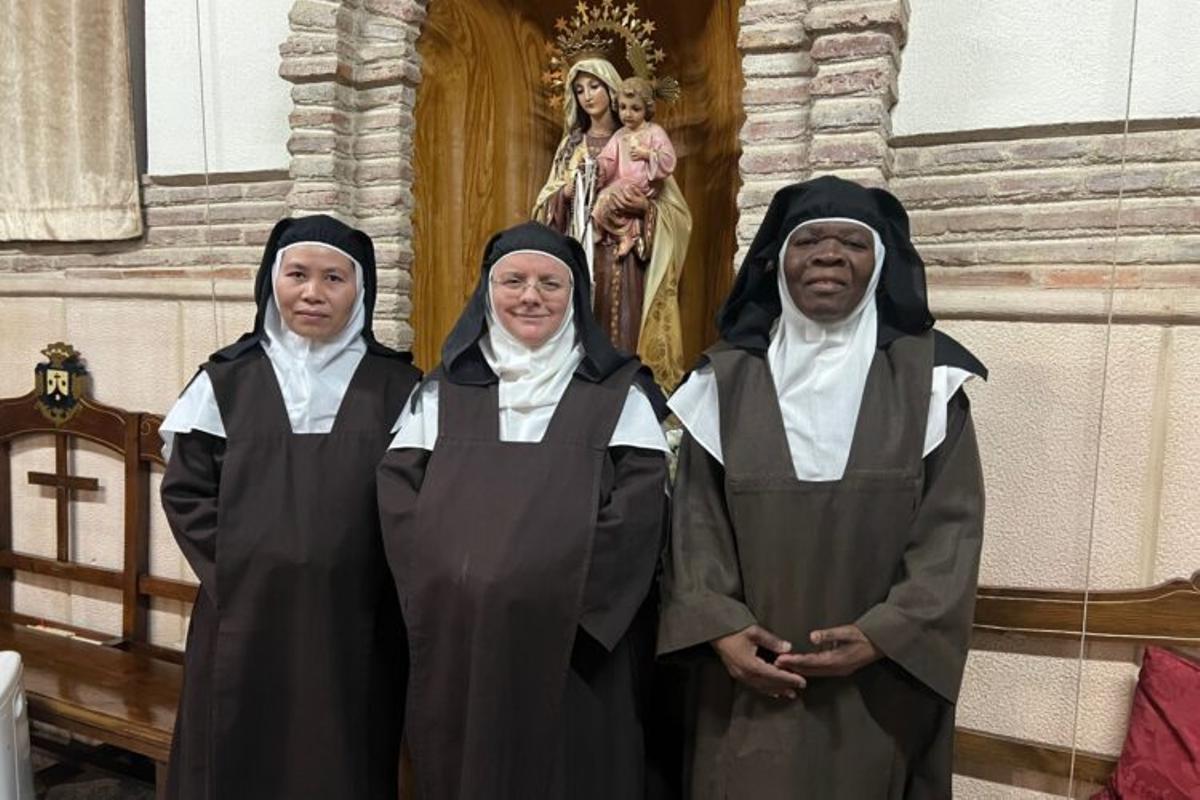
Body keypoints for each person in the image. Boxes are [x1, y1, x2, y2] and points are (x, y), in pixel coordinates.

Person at [658, 176, 988, 799]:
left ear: (882, 263)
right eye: (808, 240)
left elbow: (952, 533)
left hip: (878, 687)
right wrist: (721, 628)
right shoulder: (724, 380)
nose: (829, 255)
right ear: (777, 263)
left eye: (853, 244)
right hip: (746, 684)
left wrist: (883, 635)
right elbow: (693, 529)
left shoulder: (930, 381)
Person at [378, 221, 670, 799]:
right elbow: (400, 498)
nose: (530, 296)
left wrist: (561, 605)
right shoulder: (444, 394)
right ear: (488, 291)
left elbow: (637, 514)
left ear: (575, 297)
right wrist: (455, 589)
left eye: (549, 284)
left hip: (574, 646)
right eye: (513, 280)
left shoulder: (617, 394)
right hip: (465, 637)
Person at [158, 215, 420, 800]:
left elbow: (415, 501)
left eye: (334, 278)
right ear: (271, 280)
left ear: (362, 291)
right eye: (297, 274)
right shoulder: (227, 379)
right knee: (235, 754)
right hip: (244, 612)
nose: (313, 293)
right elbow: (186, 490)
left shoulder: (398, 388)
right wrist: (246, 567)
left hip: (355, 617)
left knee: (343, 756)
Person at [533, 57, 691, 389]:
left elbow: (675, 211)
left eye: (594, 87)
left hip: (627, 258)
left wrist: (646, 208)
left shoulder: (640, 139)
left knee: (626, 322)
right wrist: (565, 193)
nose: (587, 96)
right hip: (582, 250)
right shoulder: (572, 146)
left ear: (612, 90)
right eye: (579, 90)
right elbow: (544, 207)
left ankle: (631, 390)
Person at [593, 76, 677, 259]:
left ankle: (626, 234)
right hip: (623, 183)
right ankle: (625, 232)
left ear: (646, 109)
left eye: (635, 108)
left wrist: (647, 154)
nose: (627, 114)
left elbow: (669, 159)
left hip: (642, 186)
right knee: (601, 200)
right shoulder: (619, 135)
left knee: (607, 198)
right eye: (623, 107)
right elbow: (607, 159)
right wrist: (598, 166)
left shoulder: (653, 132)